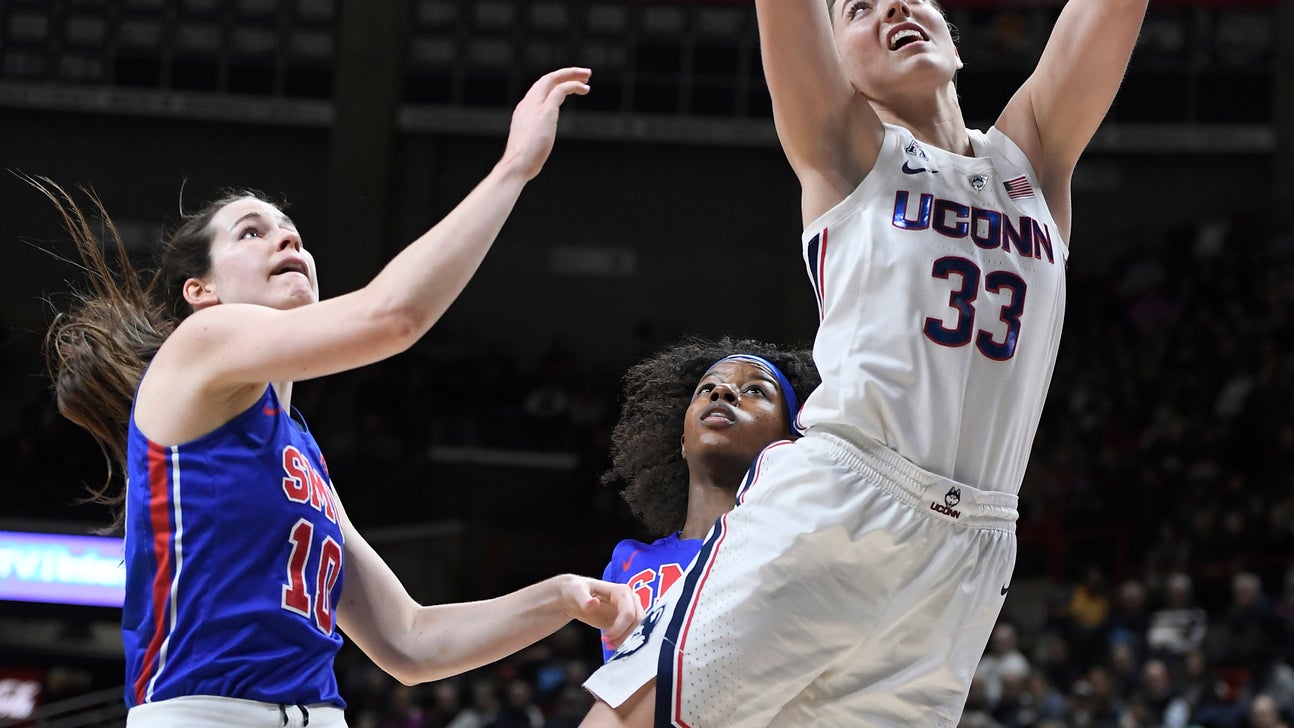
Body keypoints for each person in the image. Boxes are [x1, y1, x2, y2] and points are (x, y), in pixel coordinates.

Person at [581, 0, 1147, 723]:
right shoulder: (843, 147)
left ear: (953, 36)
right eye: (859, 9)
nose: (894, 9)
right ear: (836, 59)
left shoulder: (1029, 157)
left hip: (972, 547)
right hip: (841, 502)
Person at [29, 67, 643, 728]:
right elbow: (393, 318)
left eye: (291, 229)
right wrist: (513, 168)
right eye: (252, 232)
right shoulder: (200, 343)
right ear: (200, 292)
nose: (288, 237)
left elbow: (409, 641)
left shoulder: (299, 452)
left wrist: (561, 597)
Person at [595, 337, 819, 661]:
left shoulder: (804, 558)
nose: (722, 392)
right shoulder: (626, 564)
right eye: (706, 389)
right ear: (684, 441)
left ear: (788, 442)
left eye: (756, 390)